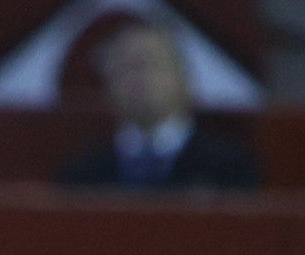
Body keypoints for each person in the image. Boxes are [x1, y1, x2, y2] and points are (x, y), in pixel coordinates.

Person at [60, 20, 259, 190]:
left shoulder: (229, 169)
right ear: (108, 85)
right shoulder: (83, 177)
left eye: (152, 64)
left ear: (185, 81)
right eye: (125, 67)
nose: (139, 77)